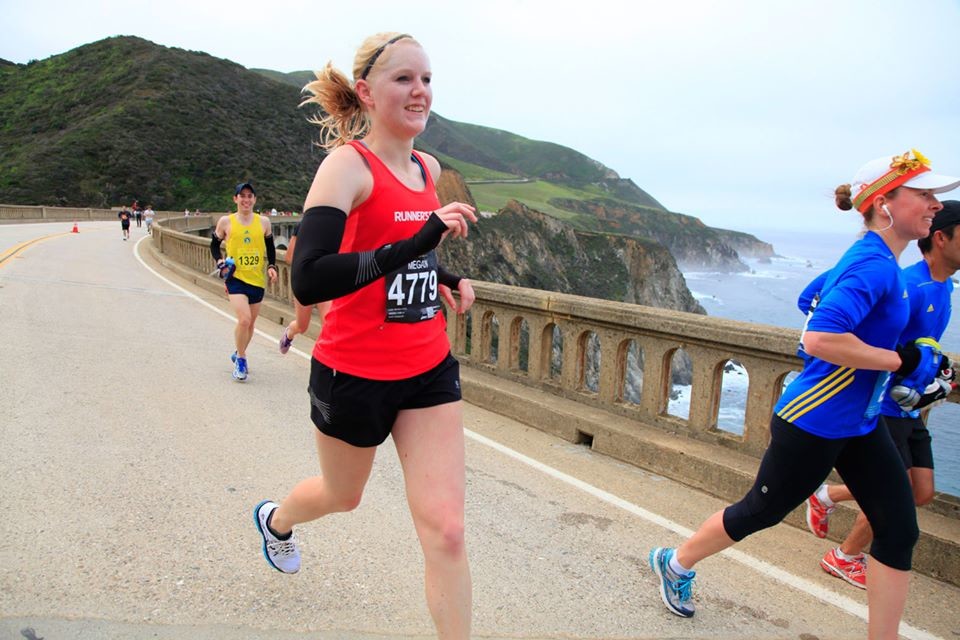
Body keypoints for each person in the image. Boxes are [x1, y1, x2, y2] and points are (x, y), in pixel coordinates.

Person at [648, 149, 960, 639]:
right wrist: (901, 360)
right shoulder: (874, 266)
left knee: (899, 530)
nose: (935, 205)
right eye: (923, 194)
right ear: (884, 204)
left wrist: (896, 355)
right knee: (760, 512)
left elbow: (810, 296)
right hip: (815, 419)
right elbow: (819, 337)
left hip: (860, 423)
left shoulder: (879, 261)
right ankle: (675, 562)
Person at [251, 33, 477, 639]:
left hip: (427, 368)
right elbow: (309, 274)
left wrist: (443, 277)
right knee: (341, 494)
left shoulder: (427, 169)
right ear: (367, 92)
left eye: (426, 79)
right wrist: (419, 241)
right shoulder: (346, 168)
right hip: (353, 372)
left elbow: (403, 253)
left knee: (447, 531)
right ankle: (276, 521)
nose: (420, 91)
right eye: (404, 79)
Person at [804, 200, 960, 589]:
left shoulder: (945, 286)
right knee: (894, 493)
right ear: (941, 238)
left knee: (922, 492)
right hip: (885, 406)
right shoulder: (908, 283)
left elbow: (921, 346)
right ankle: (845, 556)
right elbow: (854, 331)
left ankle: (827, 495)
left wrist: (934, 374)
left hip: (911, 409)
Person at [209, 182, 279, 381]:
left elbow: (270, 247)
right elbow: (214, 245)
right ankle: (241, 359)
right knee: (244, 320)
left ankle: (238, 351)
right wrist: (220, 261)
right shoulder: (226, 222)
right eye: (242, 196)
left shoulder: (264, 222)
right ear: (236, 199)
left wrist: (272, 266)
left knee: (250, 324)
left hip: (256, 280)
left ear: (254, 199)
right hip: (235, 278)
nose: (246, 199)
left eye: (250, 196)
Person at [278, 222, 331, 354]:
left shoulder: (338, 223)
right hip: (305, 279)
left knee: (328, 326)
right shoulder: (304, 225)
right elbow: (289, 257)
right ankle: (290, 333)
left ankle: (323, 361)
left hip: (325, 281)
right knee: (302, 326)